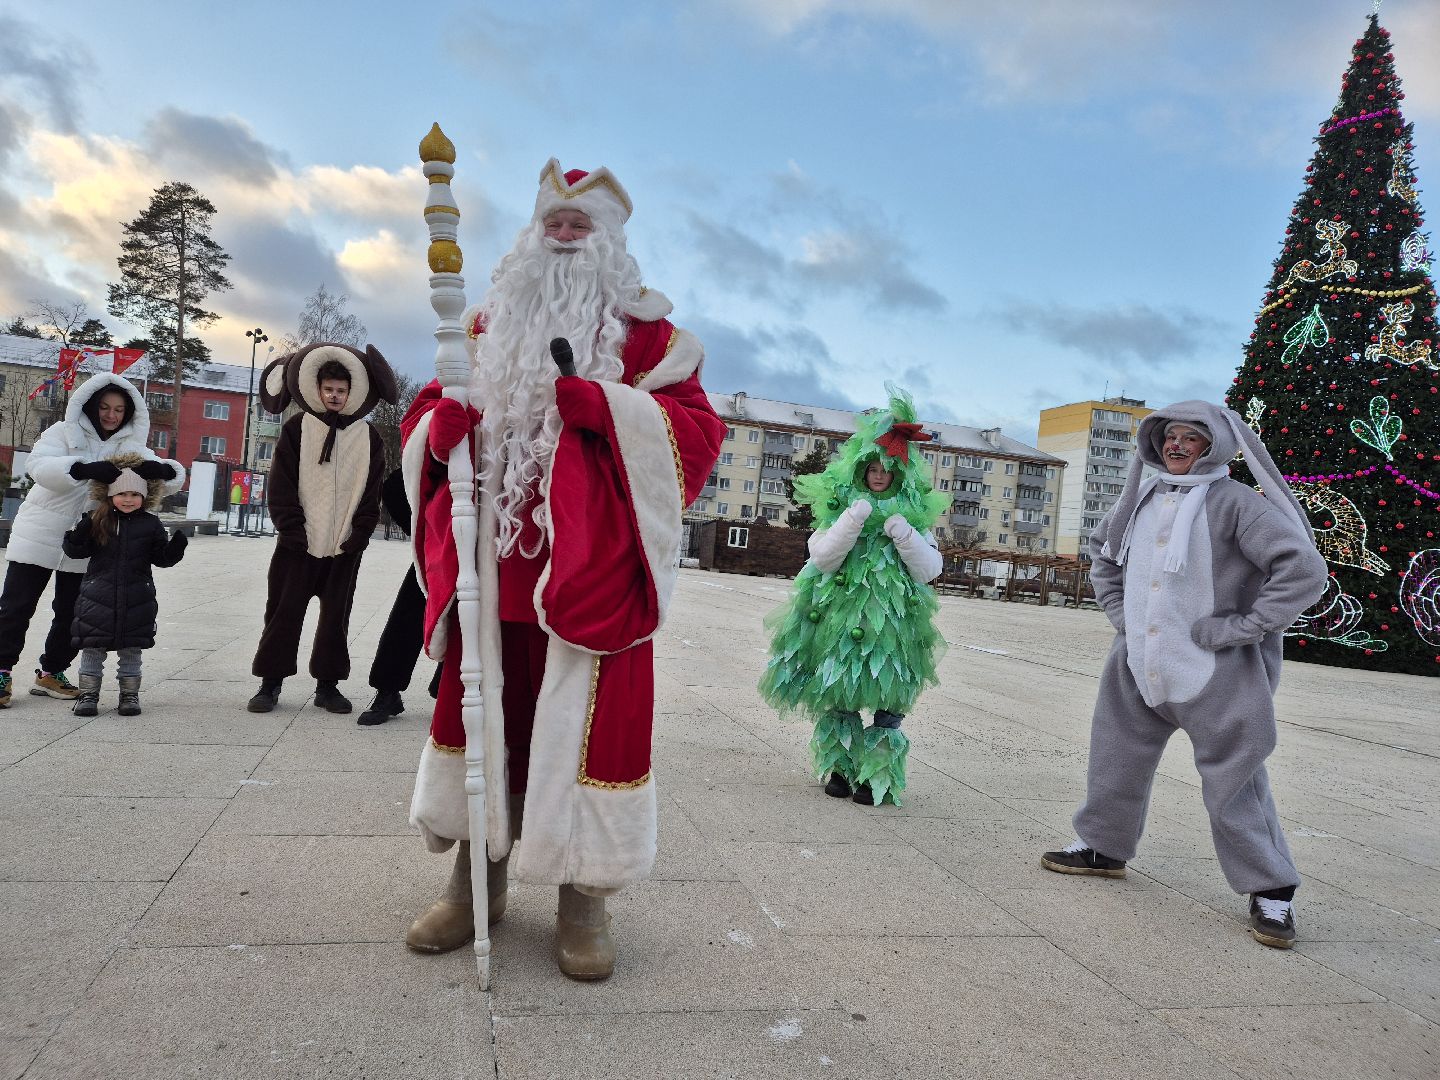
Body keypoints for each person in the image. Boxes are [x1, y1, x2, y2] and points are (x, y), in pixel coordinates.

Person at [401, 159, 725, 980]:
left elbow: (697, 440)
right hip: (496, 564)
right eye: (556, 220)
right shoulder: (480, 327)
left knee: (594, 731)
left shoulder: (653, 340)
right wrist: (435, 438)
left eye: (584, 225)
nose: (567, 233)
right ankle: (477, 881)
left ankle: (586, 898)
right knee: (488, 720)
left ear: (611, 239)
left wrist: (615, 414)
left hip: (596, 569)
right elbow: (425, 423)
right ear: (535, 229)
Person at [1040, 401, 1327, 950]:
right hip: (1138, 662)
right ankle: (1103, 847)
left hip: (1215, 672)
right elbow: (1103, 555)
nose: (1177, 445)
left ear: (1214, 446)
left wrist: (1245, 627)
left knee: (1235, 781)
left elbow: (1304, 570)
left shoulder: (1237, 504)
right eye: (1170, 436)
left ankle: (1273, 888)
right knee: (1114, 759)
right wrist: (1123, 618)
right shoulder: (1141, 497)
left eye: (1192, 438)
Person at [759, 388, 947, 806]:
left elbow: (930, 570)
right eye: (872, 468)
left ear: (898, 474)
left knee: (890, 692)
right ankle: (841, 768)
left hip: (895, 622)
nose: (879, 476)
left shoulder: (912, 516)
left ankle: (877, 774)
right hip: (842, 618)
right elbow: (823, 558)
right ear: (861, 471)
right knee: (840, 686)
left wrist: (902, 532)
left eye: (887, 469)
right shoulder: (841, 509)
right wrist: (854, 518)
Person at [0, 374, 184, 708]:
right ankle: (1, 671)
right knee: (16, 606)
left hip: (89, 539)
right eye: (104, 407)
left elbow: (159, 476)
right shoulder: (62, 432)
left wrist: (168, 472)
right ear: (90, 406)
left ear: (129, 413)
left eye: (118, 409)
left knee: (72, 613)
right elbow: (38, 467)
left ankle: (51, 672)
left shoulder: (132, 446)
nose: (111, 415)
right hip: (39, 531)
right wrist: (84, 469)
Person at [247, 345, 394, 715]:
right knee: (283, 613)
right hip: (298, 544)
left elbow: (372, 488)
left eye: (341, 391)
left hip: (343, 546)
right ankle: (270, 683)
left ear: (351, 393)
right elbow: (280, 483)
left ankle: (327, 686)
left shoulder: (368, 436)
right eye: (329, 389)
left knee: (335, 618)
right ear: (318, 389)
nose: (334, 396)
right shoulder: (299, 428)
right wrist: (290, 528)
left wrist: (360, 534)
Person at [60, 458, 188, 716]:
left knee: (131, 650)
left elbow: (160, 558)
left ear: (144, 496)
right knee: (92, 648)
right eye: (121, 494)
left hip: (136, 597)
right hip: (97, 596)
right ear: (110, 494)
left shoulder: (151, 524)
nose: (128, 499)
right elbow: (76, 552)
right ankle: (88, 695)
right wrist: (79, 532)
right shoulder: (98, 519)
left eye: (134, 494)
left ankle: (129, 695)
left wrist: (175, 549)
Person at [355, 468, 430, 726]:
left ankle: (449, 690)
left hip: (489, 546)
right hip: (438, 545)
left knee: (476, 625)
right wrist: (422, 529)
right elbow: (395, 486)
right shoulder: (443, 436)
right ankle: (387, 691)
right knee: (407, 617)